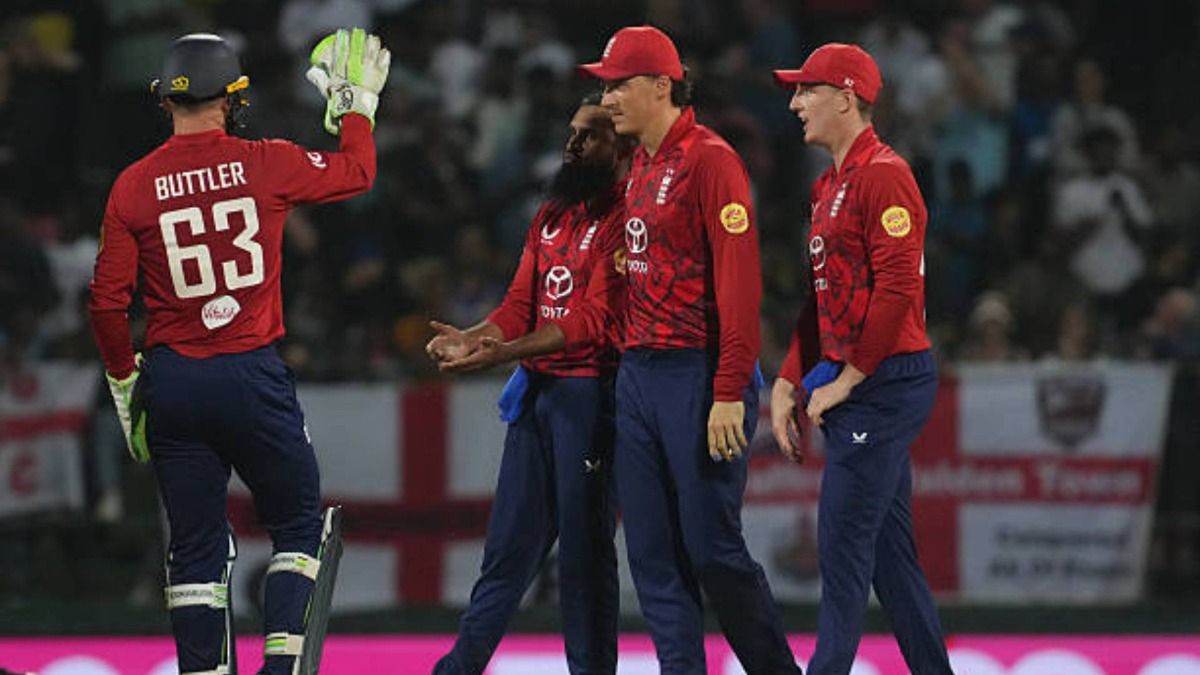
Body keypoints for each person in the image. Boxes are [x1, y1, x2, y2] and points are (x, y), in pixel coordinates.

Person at [88, 30, 389, 675]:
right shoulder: (266, 160)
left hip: (171, 382)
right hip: (251, 372)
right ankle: (280, 669)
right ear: (233, 97)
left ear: (165, 101)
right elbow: (358, 172)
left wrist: (123, 382)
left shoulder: (132, 185)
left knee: (194, 553)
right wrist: (356, 108)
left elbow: (107, 305)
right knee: (299, 526)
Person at [578, 26, 801, 675]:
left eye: (618, 83)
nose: (607, 95)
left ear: (660, 85)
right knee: (650, 556)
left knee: (710, 550)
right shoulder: (640, 163)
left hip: (697, 374)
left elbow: (740, 284)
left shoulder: (711, 160)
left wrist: (729, 387)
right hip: (640, 376)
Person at [424, 93, 634, 675]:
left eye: (590, 135)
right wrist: (474, 338)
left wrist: (503, 353)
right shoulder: (553, 214)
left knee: (585, 559)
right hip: (540, 396)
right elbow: (521, 302)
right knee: (506, 554)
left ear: (621, 147)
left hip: (590, 400)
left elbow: (593, 322)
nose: (573, 145)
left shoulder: (626, 219)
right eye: (572, 133)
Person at [770, 44, 955, 675]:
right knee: (886, 558)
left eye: (806, 92)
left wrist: (847, 378)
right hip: (867, 379)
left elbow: (898, 287)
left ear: (845, 98)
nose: (795, 104)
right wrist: (789, 379)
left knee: (842, 546)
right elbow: (826, 300)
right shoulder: (829, 185)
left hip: (886, 380)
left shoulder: (885, 174)